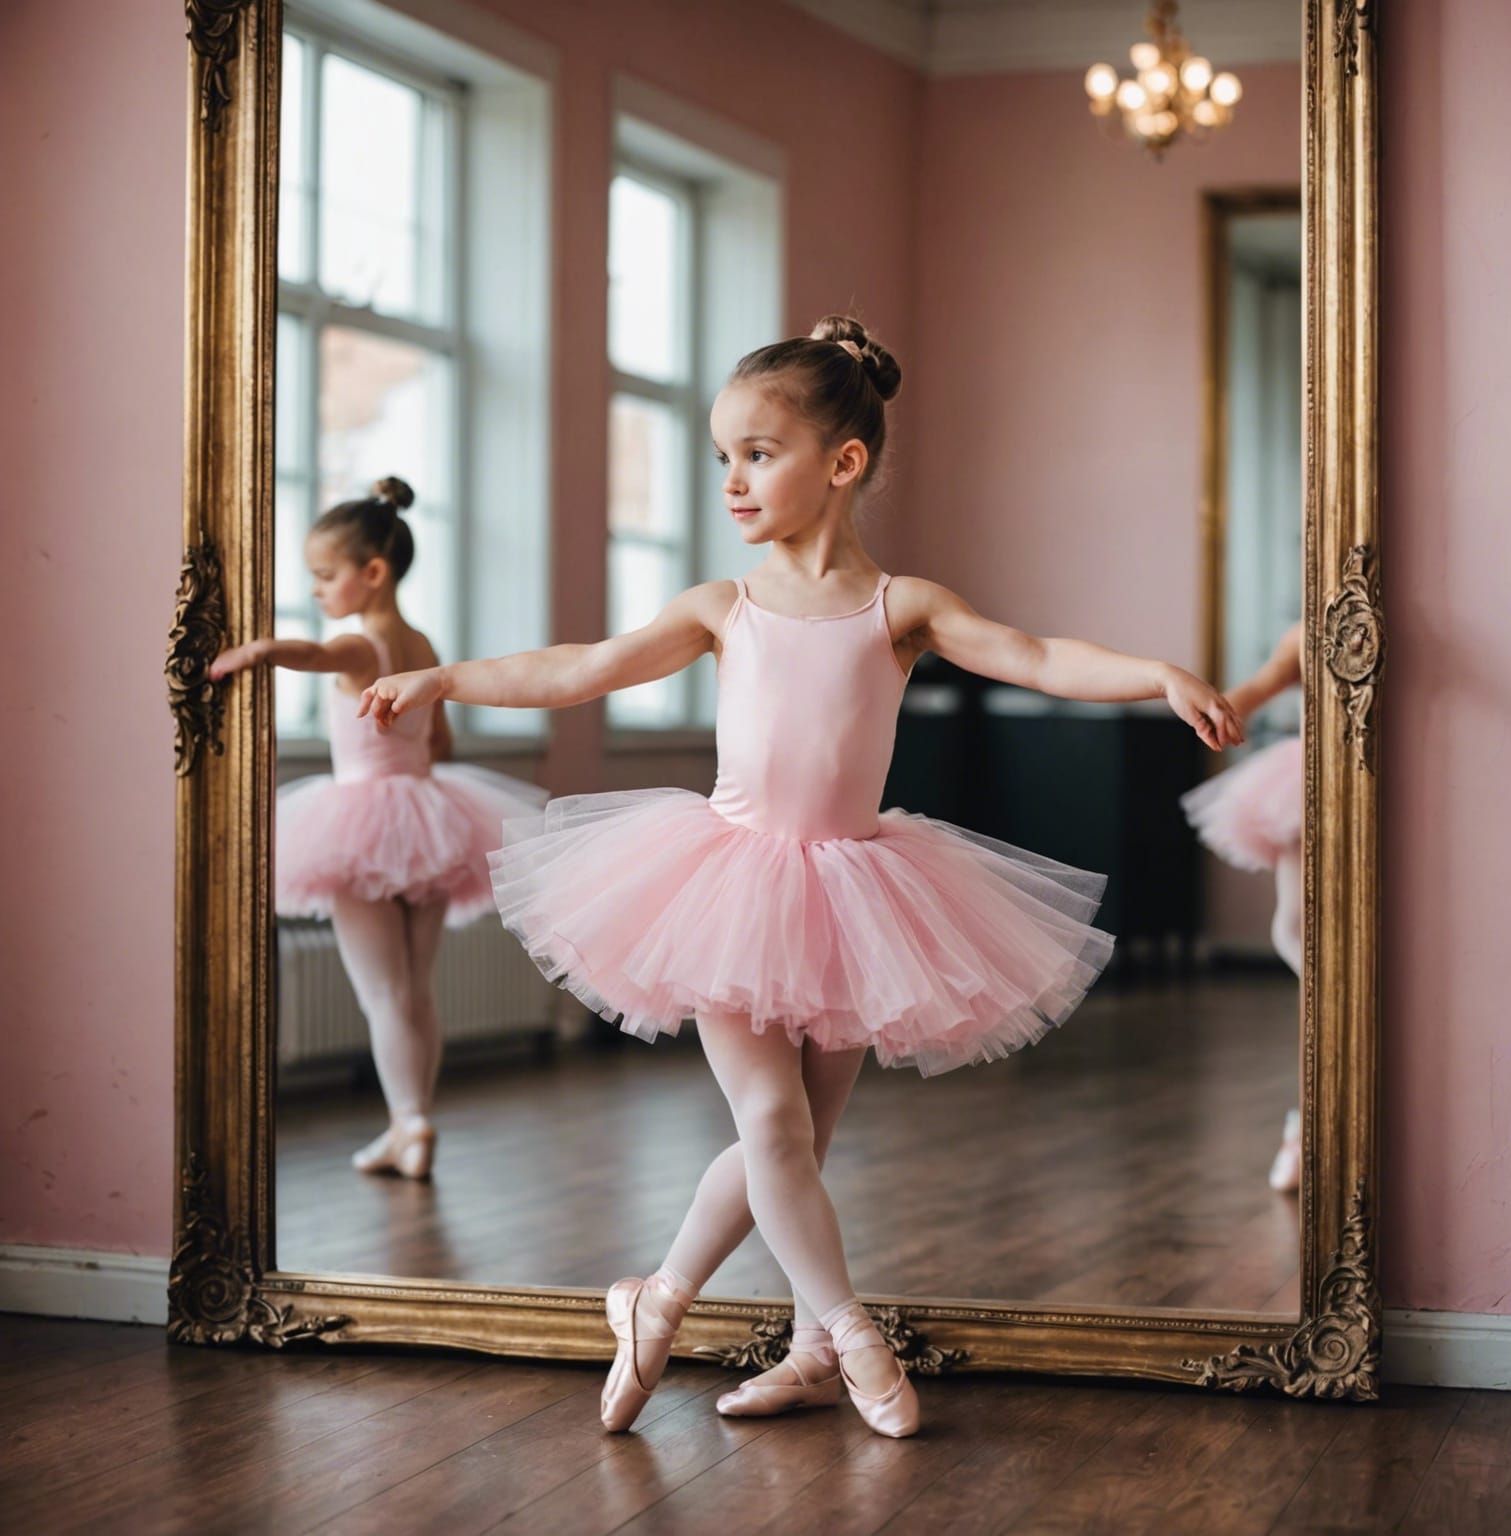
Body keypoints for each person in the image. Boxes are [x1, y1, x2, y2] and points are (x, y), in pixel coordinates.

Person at [357, 318, 1244, 1437]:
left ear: (843, 462)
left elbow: (1036, 656)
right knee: (775, 1126)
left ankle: (689, 1310)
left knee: (792, 1152)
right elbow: (580, 667)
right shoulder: (721, 608)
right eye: (721, 456)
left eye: (758, 454)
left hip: (856, 898)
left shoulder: (902, 606)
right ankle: (853, 1335)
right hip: (726, 888)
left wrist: (1158, 674)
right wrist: (443, 679)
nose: (731, 480)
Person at [212, 476, 548, 1181]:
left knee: (382, 994)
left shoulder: (362, 644)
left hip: (360, 823)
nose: (316, 589)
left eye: (324, 575)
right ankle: (410, 1125)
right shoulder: (422, 642)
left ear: (372, 572)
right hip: (430, 815)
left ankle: (410, 1123)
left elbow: (319, 657)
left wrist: (259, 651)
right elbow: (441, 741)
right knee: (416, 989)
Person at [1181, 620, 1303, 1192]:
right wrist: (1219, 708)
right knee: (1293, 929)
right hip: (1310, 776)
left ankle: (1305, 1120)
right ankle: (1304, 1120)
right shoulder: (1305, 634)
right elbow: (1263, 684)